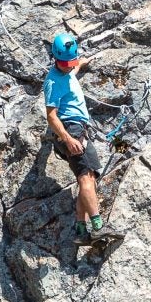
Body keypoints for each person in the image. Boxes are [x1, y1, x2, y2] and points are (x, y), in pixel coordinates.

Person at [43, 32, 109, 241]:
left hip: (76, 130)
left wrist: (84, 61)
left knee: (85, 178)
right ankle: (98, 226)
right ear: (55, 59)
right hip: (72, 131)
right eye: (66, 62)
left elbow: (75, 66)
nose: (70, 65)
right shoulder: (53, 82)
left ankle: (81, 230)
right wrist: (68, 139)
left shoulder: (69, 69)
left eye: (72, 61)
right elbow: (51, 117)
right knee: (87, 178)